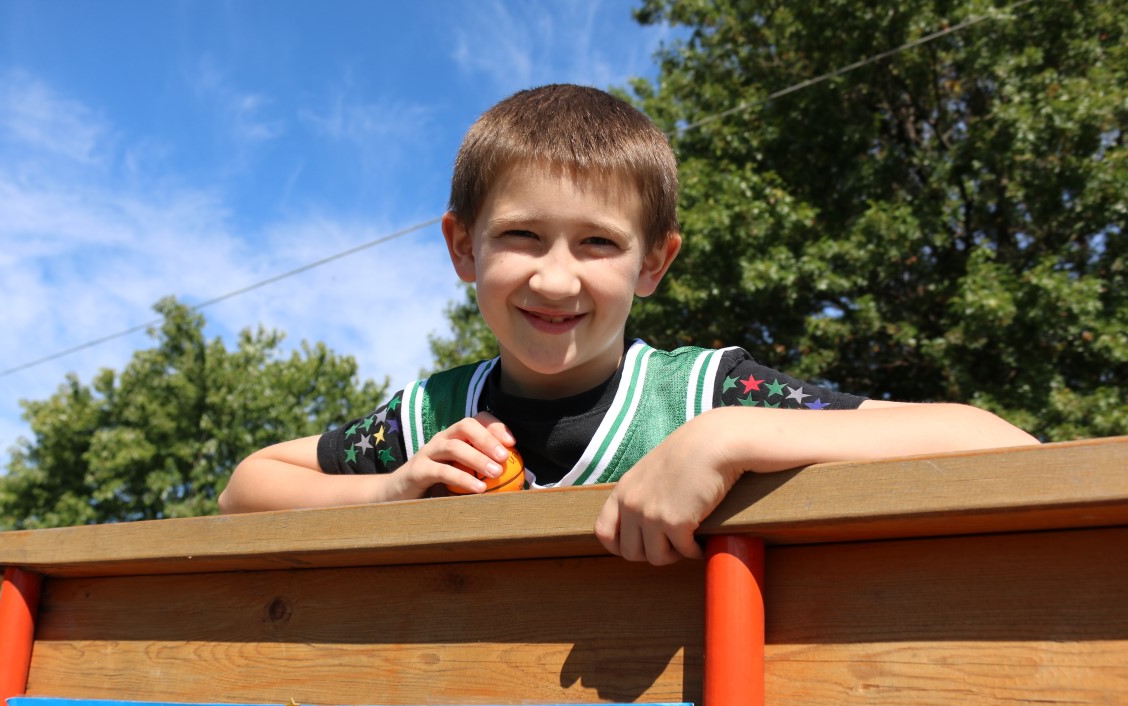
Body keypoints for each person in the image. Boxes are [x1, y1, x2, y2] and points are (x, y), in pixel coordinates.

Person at [219, 84, 1038, 564]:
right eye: (521, 235)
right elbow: (243, 488)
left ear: (654, 262)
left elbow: (998, 442)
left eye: (599, 243)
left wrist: (728, 438)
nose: (555, 277)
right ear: (463, 247)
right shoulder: (431, 422)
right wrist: (392, 489)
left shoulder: (708, 395)